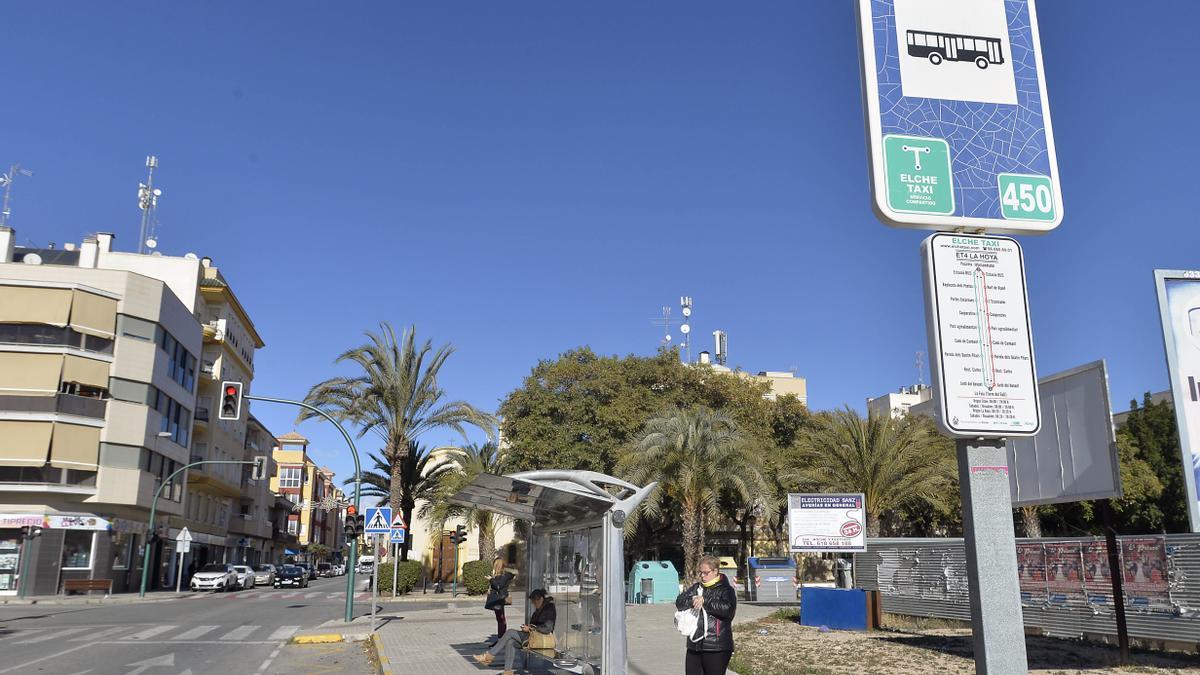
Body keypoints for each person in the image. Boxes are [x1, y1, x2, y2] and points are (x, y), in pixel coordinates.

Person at [675, 555, 737, 675]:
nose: (702, 576)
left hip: (717, 646)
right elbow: (679, 602)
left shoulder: (726, 589)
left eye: (706, 573)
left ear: (715, 571)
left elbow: (728, 610)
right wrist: (693, 599)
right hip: (694, 645)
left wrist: (705, 601)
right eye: (700, 573)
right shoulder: (696, 588)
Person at [475, 588, 556, 675]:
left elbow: (548, 628)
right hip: (534, 636)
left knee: (510, 632)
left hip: (542, 638)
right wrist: (528, 627)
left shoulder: (549, 609)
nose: (534, 604)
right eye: (533, 602)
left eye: (535, 602)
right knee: (511, 642)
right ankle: (507, 672)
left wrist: (531, 628)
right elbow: (534, 624)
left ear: (541, 599)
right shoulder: (540, 608)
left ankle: (488, 656)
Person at [484, 557, 516, 642]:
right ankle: (500, 638)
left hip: (500, 599)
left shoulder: (504, 575)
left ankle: (501, 639)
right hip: (498, 598)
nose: (493, 567)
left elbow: (498, 586)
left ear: (497, 565)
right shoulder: (499, 575)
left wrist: (491, 579)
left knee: (501, 619)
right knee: (500, 619)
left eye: (495, 565)